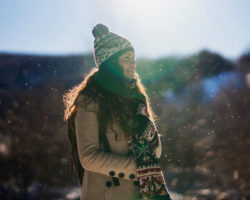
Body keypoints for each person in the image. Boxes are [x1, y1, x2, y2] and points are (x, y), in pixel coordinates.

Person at [63, 23, 172, 200]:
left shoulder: (136, 97)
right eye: (127, 58)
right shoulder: (90, 99)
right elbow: (88, 157)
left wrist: (151, 134)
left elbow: (155, 154)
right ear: (111, 62)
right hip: (105, 193)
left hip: (139, 194)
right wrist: (139, 167)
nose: (133, 64)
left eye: (133, 58)